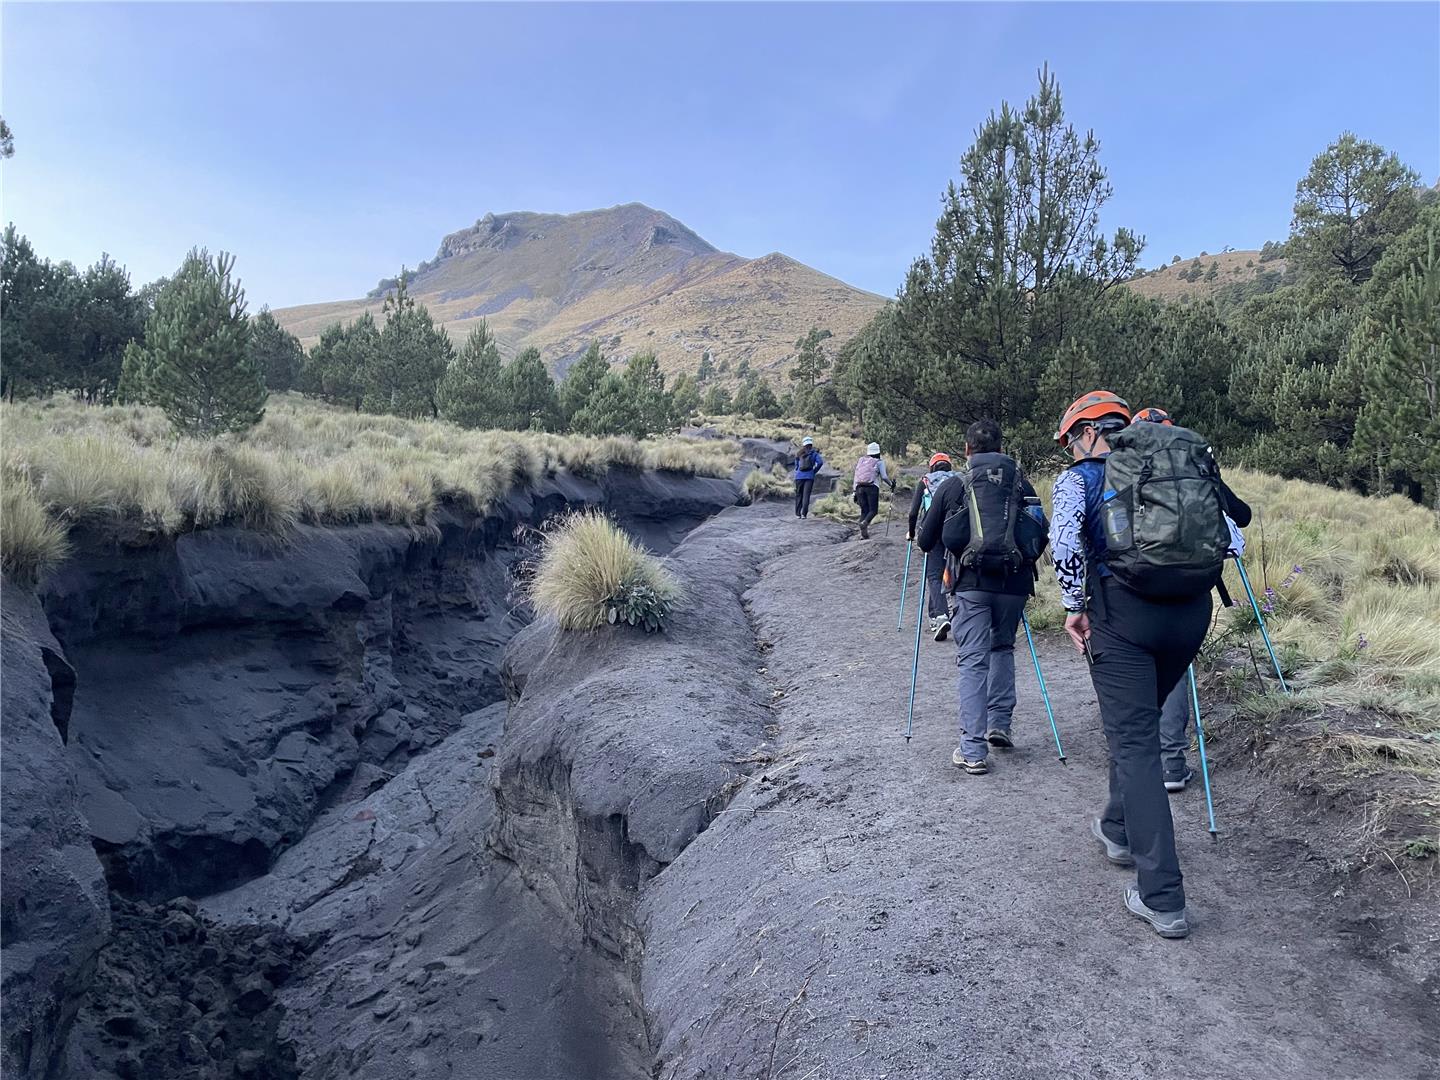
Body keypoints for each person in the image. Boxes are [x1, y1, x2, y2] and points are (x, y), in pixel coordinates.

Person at [1051, 390, 1237, 940]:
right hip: (1190, 615)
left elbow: (1065, 548)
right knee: (1135, 726)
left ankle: (1163, 897)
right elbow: (1236, 541)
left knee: (1134, 744)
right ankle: (1116, 827)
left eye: (1070, 441)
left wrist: (1074, 608)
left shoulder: (1080, 478)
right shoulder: (1177, 466)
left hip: (1123, 618)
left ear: (1087, 433)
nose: (1070, 451)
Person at [1133, 407, 1253, 792]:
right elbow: (1242, 514)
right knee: (1176, 666)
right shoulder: (1197, 462)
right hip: (1192, 582)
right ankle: (1172, 763)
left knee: (1134, 663)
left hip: (1139, 579)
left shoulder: (1125, 462)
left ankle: (1137, 758)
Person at [916, 419, 1040, 775]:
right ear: (1001, 448)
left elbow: (926, 542)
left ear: (967, 449)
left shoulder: (955, 484)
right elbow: (1037, 533)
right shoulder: (1021, 482)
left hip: (970, 584)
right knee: (1002, 648)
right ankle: (999, 723)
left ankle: (972, 750)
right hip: (1014, 585)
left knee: (973, 661)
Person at [907, 452, 957, 640]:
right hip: (956, 530)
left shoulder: (925, 481)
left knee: (934, 575)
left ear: (931, 467)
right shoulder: (958, 479)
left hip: (933, 531)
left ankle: (942, 615)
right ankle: (935, 617)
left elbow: (913, 512)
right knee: (953, 572)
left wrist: (911, 533)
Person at [852, 442, 895, 539]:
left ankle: (863, 534)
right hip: (872, 487)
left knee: (864, 511)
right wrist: (891, 484)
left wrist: (854, 491)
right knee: (873, 510)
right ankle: (864, 523)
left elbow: (855, 476)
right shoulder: (879, 462)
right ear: (878, 452)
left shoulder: (861, 460)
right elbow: (884, 477)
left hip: (859, 487)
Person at [793, 436, 823, 519]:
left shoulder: (799, 453)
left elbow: (796, 463)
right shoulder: (814, 453)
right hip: (809, 477)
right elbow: (820, 462)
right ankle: (804, 514)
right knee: (806, 495)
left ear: (803, 444)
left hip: (799, 476)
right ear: (811, 444)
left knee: (799, 494)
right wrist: (814, 471)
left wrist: (797, 469)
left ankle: (797, 514)